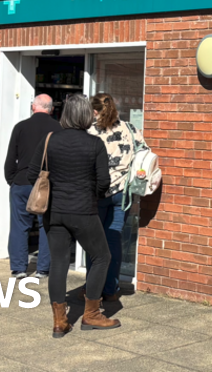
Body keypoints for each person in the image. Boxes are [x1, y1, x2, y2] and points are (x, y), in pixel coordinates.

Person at [28, 93, 120, 337]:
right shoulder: (94, 144)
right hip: (84, 212)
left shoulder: (49, 140)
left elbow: (31, 176)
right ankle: (91, 315)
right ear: (84, 115)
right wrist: (88, 192)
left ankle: (60, 322)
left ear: (65, 114)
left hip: (53, 214)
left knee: (58, 262)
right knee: (102, 256)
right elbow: (103, 183)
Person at [87, 93, 138, 301]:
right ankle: (111, 289)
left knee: (94, 242)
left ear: (95, 111)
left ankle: (93, 288)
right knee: (114, 240)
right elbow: (143, 152)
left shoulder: (90, 131)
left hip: (98, 193)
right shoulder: (129, 128)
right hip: (123, 194)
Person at [4, 94, 60, 279]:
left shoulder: (20, 127)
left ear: (32, 107)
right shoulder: (57, 128)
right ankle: (43, 269)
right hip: (46, 183)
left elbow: (11, 158)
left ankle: (19, 268)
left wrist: (12, 179)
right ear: (51, 109)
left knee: (20, 226)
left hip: (21, 182)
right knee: (46, 226)